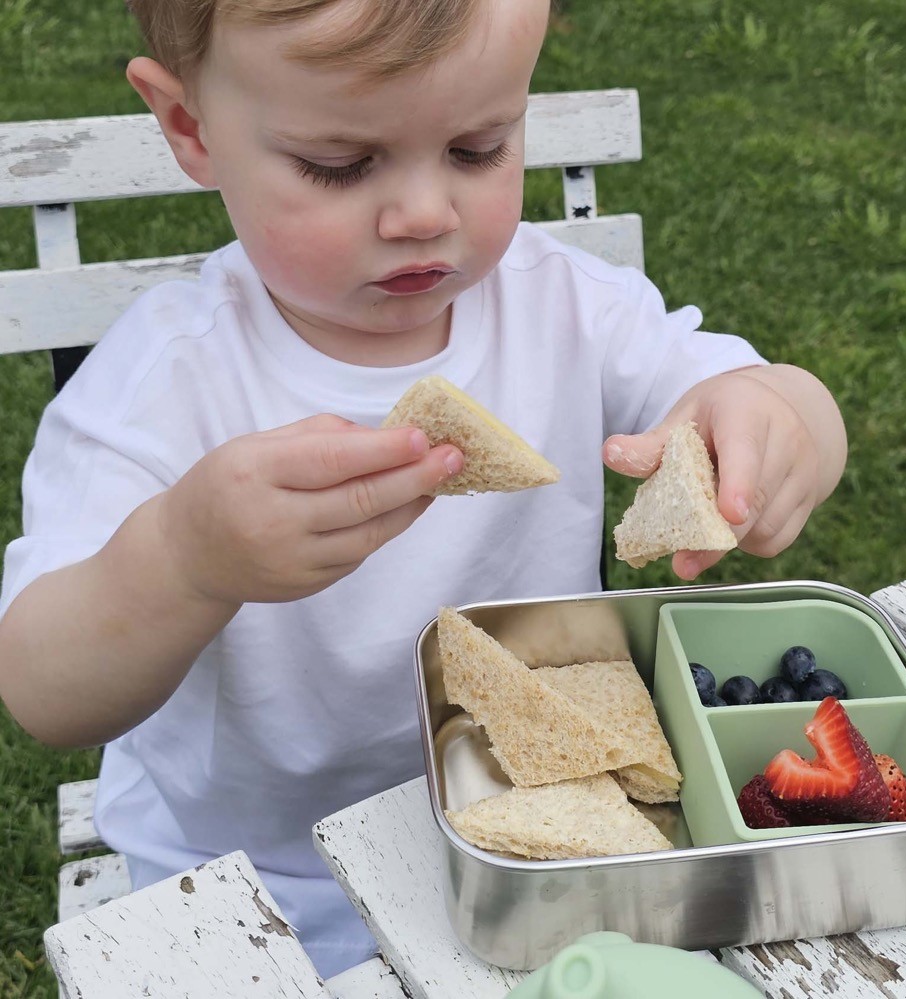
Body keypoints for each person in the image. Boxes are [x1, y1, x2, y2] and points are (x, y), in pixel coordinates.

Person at [0, 0, 847, 979]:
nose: (422, 214)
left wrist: (783, 420)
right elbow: (43, 690)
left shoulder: (565, 306)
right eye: (339, 164)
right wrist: (185, 560)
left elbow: (744, 390)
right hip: (256, 885)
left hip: (545, 830)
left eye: (477, 148)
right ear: (192, 129)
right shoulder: (165, 383)